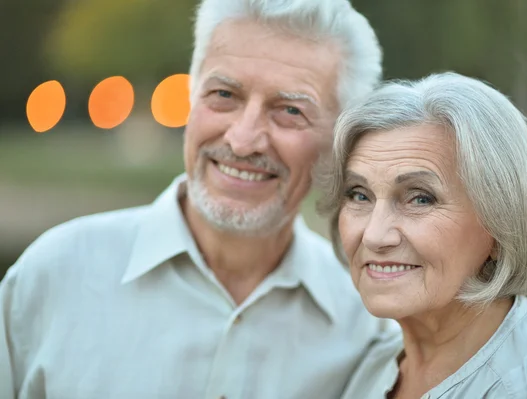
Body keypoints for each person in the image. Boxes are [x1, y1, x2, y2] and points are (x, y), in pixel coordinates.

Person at [0, 1, 398, 398]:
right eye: (224, 94)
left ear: (339, 144)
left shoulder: (367, 327)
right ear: (192, 99)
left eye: (290, 110)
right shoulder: (53, 274)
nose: (242, 141)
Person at [319, 72, 527, 398]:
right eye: (358, 194)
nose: (374, 235)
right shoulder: (374, 366)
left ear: (499, 226)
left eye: (420, 198)